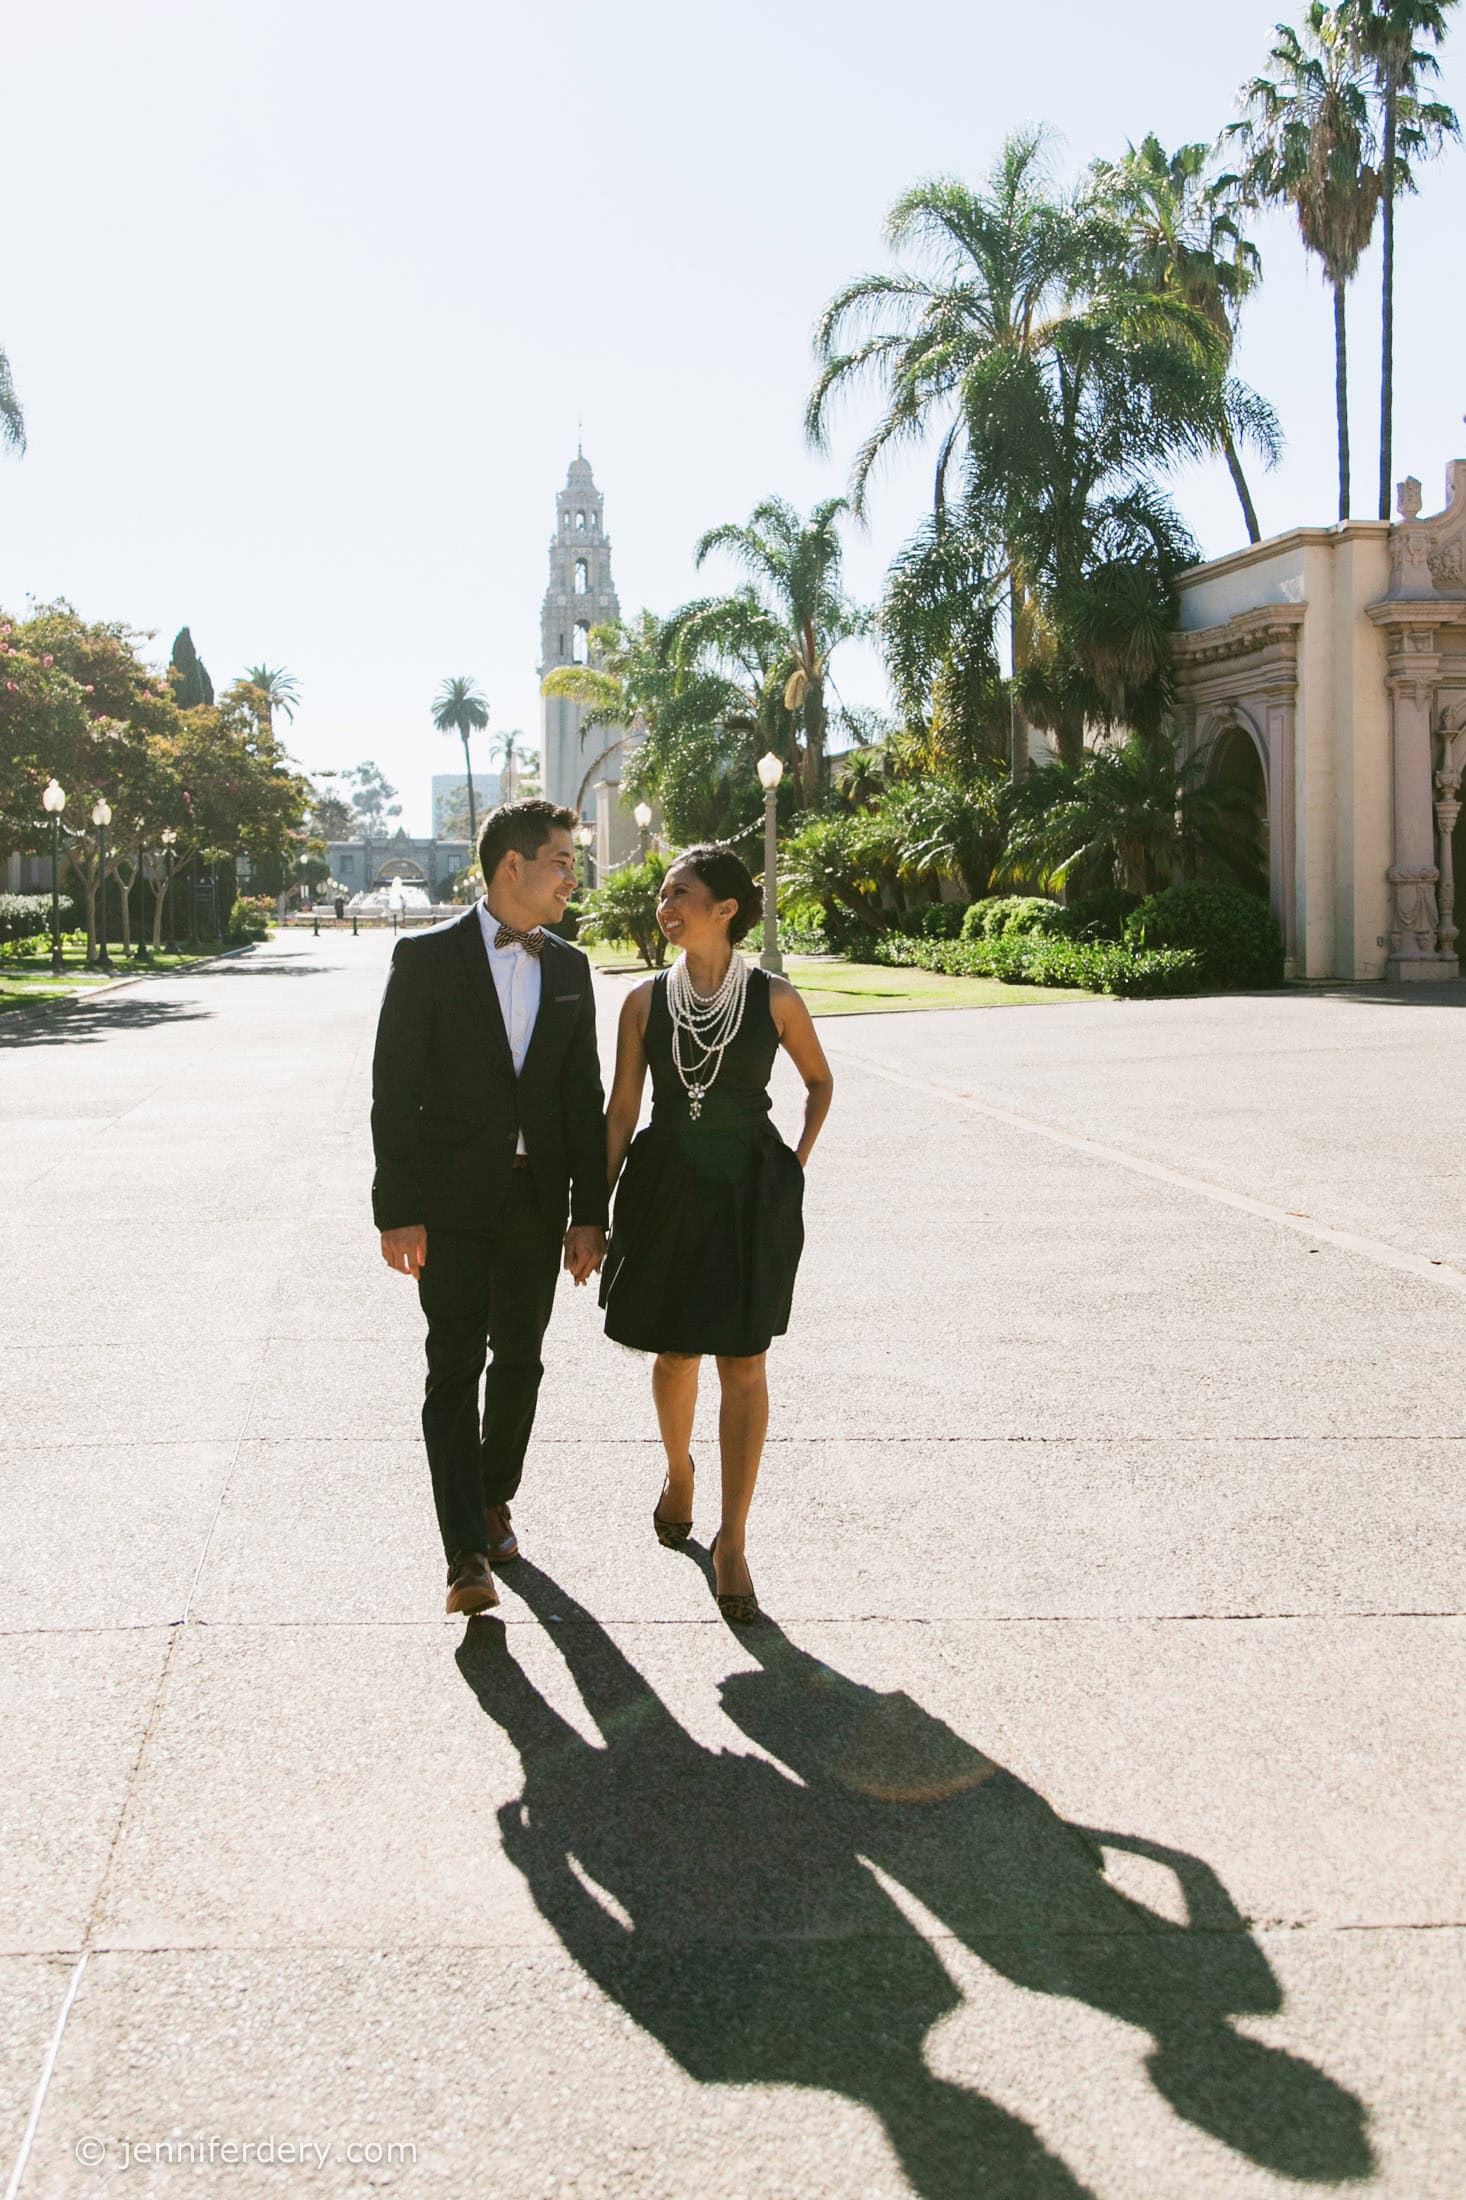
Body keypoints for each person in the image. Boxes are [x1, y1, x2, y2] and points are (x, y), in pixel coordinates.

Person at [371, 799, 608, 1616]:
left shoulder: (571, 968)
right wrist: (395, 1209)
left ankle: (494, 1495)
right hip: (448, 1204)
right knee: (453, 1366)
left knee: (522, 1360)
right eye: (560, 862)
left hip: (537, 1203)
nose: (572, 877)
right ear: (513, 865)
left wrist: (589, 1213)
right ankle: (465, 1550)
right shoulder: (424, 958)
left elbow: (584, 1098)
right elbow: (394, 1092)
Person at [601, 845, 833, 1622]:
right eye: (663, 892)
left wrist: (793, 1162)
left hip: (750, 1190)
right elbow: (622, 1112)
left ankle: (733, 1538)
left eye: (682, 893)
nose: (666, 904)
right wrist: (589, 1214)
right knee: (675, 1352)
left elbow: (820, 1081)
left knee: (744, 1361)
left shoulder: (775, 998)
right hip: (667, 1185)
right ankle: (679, 1470)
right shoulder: (642, 1002)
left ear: (726, 908)